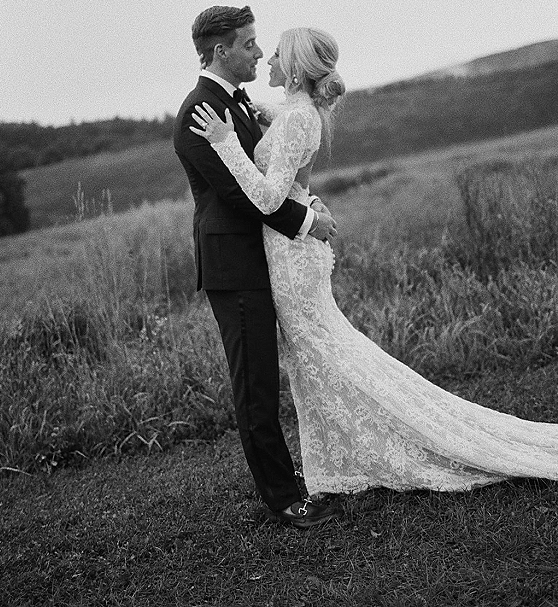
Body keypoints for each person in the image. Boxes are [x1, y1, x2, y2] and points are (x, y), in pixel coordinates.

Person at [190, 25, 558, 497]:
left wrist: (226, 143)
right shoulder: (298, 113)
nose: (268, 59)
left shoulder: (299, 119)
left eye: (277, 54)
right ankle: (333, 458)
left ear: (297, 68)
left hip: (291, 259)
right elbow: (285, 144)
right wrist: (262, 117)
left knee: (327, 354)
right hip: (292, 253)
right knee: (320, 355)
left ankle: (385, 444)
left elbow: (265, 198)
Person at [174, 5, 342, 528]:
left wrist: (306, 201)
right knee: (257, 385)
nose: (256, 51)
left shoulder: (237, 102)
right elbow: (243, 197)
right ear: (220, 51)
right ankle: (284, 497)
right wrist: (307, 220)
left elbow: (269, 168)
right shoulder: (200, 113)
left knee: (270, 378)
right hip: (234, 263)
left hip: (264, 256)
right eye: (248, 43)